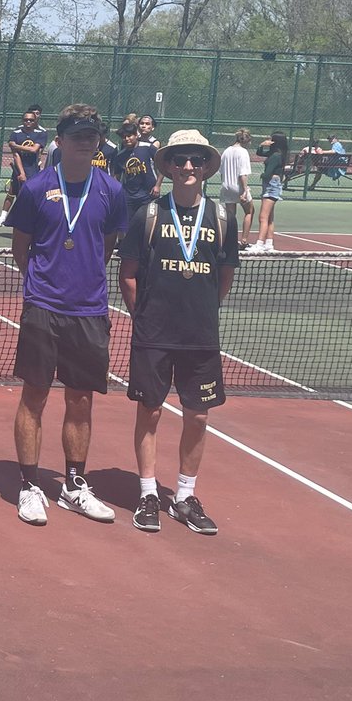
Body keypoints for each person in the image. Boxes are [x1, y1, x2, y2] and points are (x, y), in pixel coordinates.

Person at [6, 103, 128, 526]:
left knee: (80, 399)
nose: (84, 142)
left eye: (91, 136)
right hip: (43, 307)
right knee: (34, 396)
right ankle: (28, 485)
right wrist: (45, 283)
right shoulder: (36, 188)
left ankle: (73, 485)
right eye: (76, 135)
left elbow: (107, 244)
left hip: (90, 311)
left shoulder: (112, 191)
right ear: (59, 140)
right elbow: (22, 248)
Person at [119, 130, 237, 536]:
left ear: (206, 167)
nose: (189, 167)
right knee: (149, 412)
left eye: (196, 161)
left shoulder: (223, 218)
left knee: (198, 415)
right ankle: (148, 493)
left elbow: (224, 277)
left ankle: (184, 496)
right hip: (155, 335)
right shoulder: (148, 215)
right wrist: (146, 318)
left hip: (200, 337)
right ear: (167, 166)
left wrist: (201, 313)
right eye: (180, 160)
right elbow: (128, 275)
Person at [0, 110, 46, 227]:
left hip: (33, 169)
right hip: (19, 169)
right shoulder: (16, 133)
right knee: (12, 192)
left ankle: (32, 219)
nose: (28, 122)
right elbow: (16, 155)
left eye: (31, 120)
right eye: (26, 120)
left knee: (31, 195)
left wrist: (15, 145)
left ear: (35, 120)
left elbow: (34, 150)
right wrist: (21, 173)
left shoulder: (41, 133)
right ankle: (2, 217)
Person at [246, 131, 287, 254]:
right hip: (273, 184)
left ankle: (259, 244)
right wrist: (262, 145)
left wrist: (262, 175)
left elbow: (268, 173)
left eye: (271, 139)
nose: (269, 140)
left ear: (275, 141)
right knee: (269, 218)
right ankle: (269, 244)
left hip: (271, 185)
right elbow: (259, 152)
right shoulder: (275, 153)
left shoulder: (275, 156)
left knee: (263, 217)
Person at [110, 116, 158, 222]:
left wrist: (157, 185)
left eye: (129, 136)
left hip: (148, 194)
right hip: (129, 196)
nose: (127, 139)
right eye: (124, 137)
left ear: (136, 135)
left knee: (148, 223)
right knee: (127, 225)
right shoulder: (120, 155)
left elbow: (162, 166)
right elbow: (116, 177)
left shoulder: (148, 148)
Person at [218, 128, 254, 250]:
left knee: (230, 216)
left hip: (226, 187)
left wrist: (225, 184)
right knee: (249, 211)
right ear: (247, 140)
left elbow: (222, 172)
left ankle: (229, 241)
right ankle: (243, 241)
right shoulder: (243, 152)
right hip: (238, 187)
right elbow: (243, 174)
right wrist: (244, 190)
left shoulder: (226, 151)